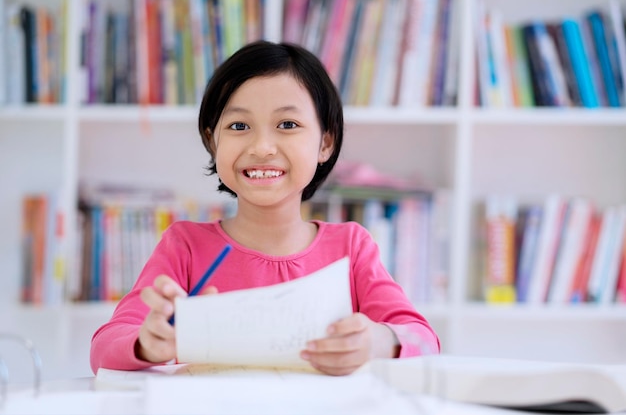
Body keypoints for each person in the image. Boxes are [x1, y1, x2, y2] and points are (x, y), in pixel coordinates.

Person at [90, 40, 440, 376]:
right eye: (239, 126)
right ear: (213, 141)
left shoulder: (351, 248)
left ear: (325, 142)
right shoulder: (185, 246)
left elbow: (424, 340)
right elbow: (104, 347)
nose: (262, 147)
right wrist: (147, 345)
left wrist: (379, 341)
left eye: (287, 125)